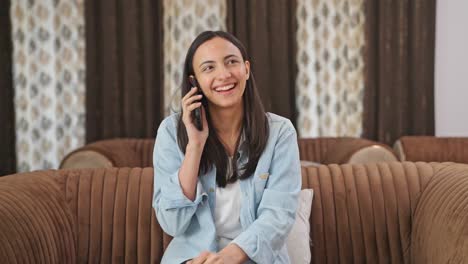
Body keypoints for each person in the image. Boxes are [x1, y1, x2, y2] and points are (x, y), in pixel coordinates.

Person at [152, 31, 301, 264]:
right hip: (193, 259)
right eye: (208, 68)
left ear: (247, 69)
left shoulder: (280, 132)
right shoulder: (171, 132)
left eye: (232, 62)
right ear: (195, 82)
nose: (224, 74)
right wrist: (195, 145)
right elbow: (172, 223)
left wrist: (230, 257)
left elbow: (279, 215)